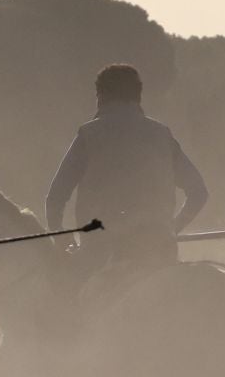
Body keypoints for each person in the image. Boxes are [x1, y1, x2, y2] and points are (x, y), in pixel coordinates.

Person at [45, 63, 207, 275]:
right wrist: (171, 229)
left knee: (65, 300)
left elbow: (56, 198)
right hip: (160, 251)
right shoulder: (162, 134)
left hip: (101, 253)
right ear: (138, 96)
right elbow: (199, 192)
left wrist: (63, 241)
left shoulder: (89, 135)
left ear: (100, 96)